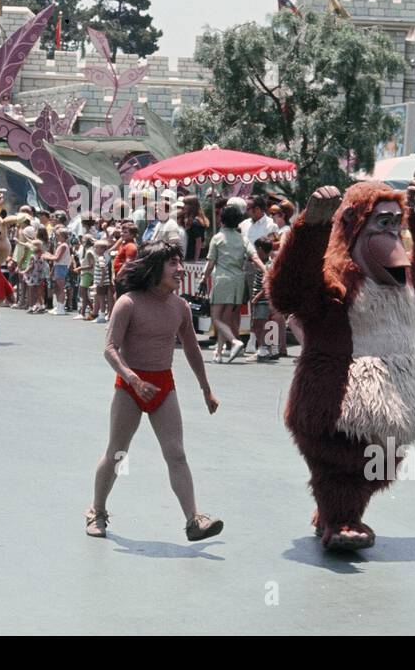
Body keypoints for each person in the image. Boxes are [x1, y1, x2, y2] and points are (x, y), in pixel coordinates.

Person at [86, 242, 222, 541]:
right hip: (130, 389)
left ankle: (193, 520)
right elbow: (110, 349)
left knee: (176, 454)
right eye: (172, 263)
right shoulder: (129, 303)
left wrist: (206, 389)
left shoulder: (180, 306)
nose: (180, 269)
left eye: (180, 262)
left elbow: (191, 348)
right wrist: (132, 379)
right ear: (154, 267)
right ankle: (97, 511)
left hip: (163, 386)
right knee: (118, 453)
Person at [203, 204, 249, 363]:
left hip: (222, 279)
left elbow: (210, 264)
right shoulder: (241, 238)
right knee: (225, 318)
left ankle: (234, 341)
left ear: (222, 219)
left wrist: (203, 279)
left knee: (216, 318)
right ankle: (219, 352)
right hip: (238, 280)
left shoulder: (217, 238)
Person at [248, 236, 275, 361]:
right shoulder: (263, 264)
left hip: (262, 301)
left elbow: (266, 286)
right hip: (260, 300)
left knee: (260, 324)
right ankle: (262, 348)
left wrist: (256, 298)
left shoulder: (269, 265)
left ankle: (263, 349)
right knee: (257, 324)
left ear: (260, 249)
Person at [182, 196, 208, 261]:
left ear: (191, 206)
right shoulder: (196, 220)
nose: (183, 206)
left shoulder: (195, 222)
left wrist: (195, 260)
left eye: (185, 204)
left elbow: (198, 242)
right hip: (196, 256)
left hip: (194, 257)